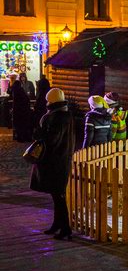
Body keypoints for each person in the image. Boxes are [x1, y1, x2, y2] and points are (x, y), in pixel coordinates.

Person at [30, 88, 75, 240]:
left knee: (59, 196)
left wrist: (38, 133)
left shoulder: (57, 118)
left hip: (55, 162)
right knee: (57, 196)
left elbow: (52, 140)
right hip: (60, 160)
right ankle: (58, 224)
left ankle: (66, 228)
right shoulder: (65, 115)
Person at [11, 78, 33, 142]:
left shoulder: (15, 91)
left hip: (17, 111)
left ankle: (19, 137)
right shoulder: (20, 90)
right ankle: (24, 137)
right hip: (23, 111)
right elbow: (26, 100)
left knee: (18, 125)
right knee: (23, 125)